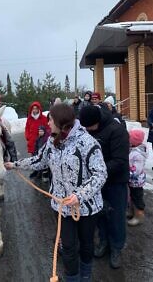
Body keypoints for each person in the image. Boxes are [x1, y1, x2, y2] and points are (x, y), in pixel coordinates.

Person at [5, 103, 107, 282]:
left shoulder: (87, 142)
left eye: (50, 119)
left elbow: (101, 174)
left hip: (87, 207)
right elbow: (39, 161)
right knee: (67, 246)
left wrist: (79, 195)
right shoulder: (52, 142)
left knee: (86, 244)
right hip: (62, 206)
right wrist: (15, 165)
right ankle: (73, 279)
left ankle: (85, 275)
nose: (48, 123)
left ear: (60, 121)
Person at [79, 105, 129, 269]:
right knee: (99, 214)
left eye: (90, 127)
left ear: (98, 121)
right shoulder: (88, 131)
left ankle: (116, 248)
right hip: (97, 183)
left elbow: (120, 161)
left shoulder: (117, 130)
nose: (87, 130)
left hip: (115, 182)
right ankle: (103, 242)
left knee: (116, 216)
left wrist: (97, 171)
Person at [25, 102, 49, 179]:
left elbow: (48, 128)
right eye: (33, 108)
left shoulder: (44, 118)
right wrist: (28, 137)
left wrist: (44, 136)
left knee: (41, 157)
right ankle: (35, 171)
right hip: (32, 141)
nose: (35, 110)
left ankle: (43, 172)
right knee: (34, 157)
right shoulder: (29, 118)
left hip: (41, 141)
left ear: (39, 109)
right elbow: (27, 128)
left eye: (36, 108)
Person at [128, 129, 147, 226]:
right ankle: (132, 213)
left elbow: (137, 170)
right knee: (132, 197)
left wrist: (128, 172)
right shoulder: (133, 150)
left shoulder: (138, 154)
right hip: (132, 181)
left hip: (136, 181)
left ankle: (139, 216)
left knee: (137, 199)